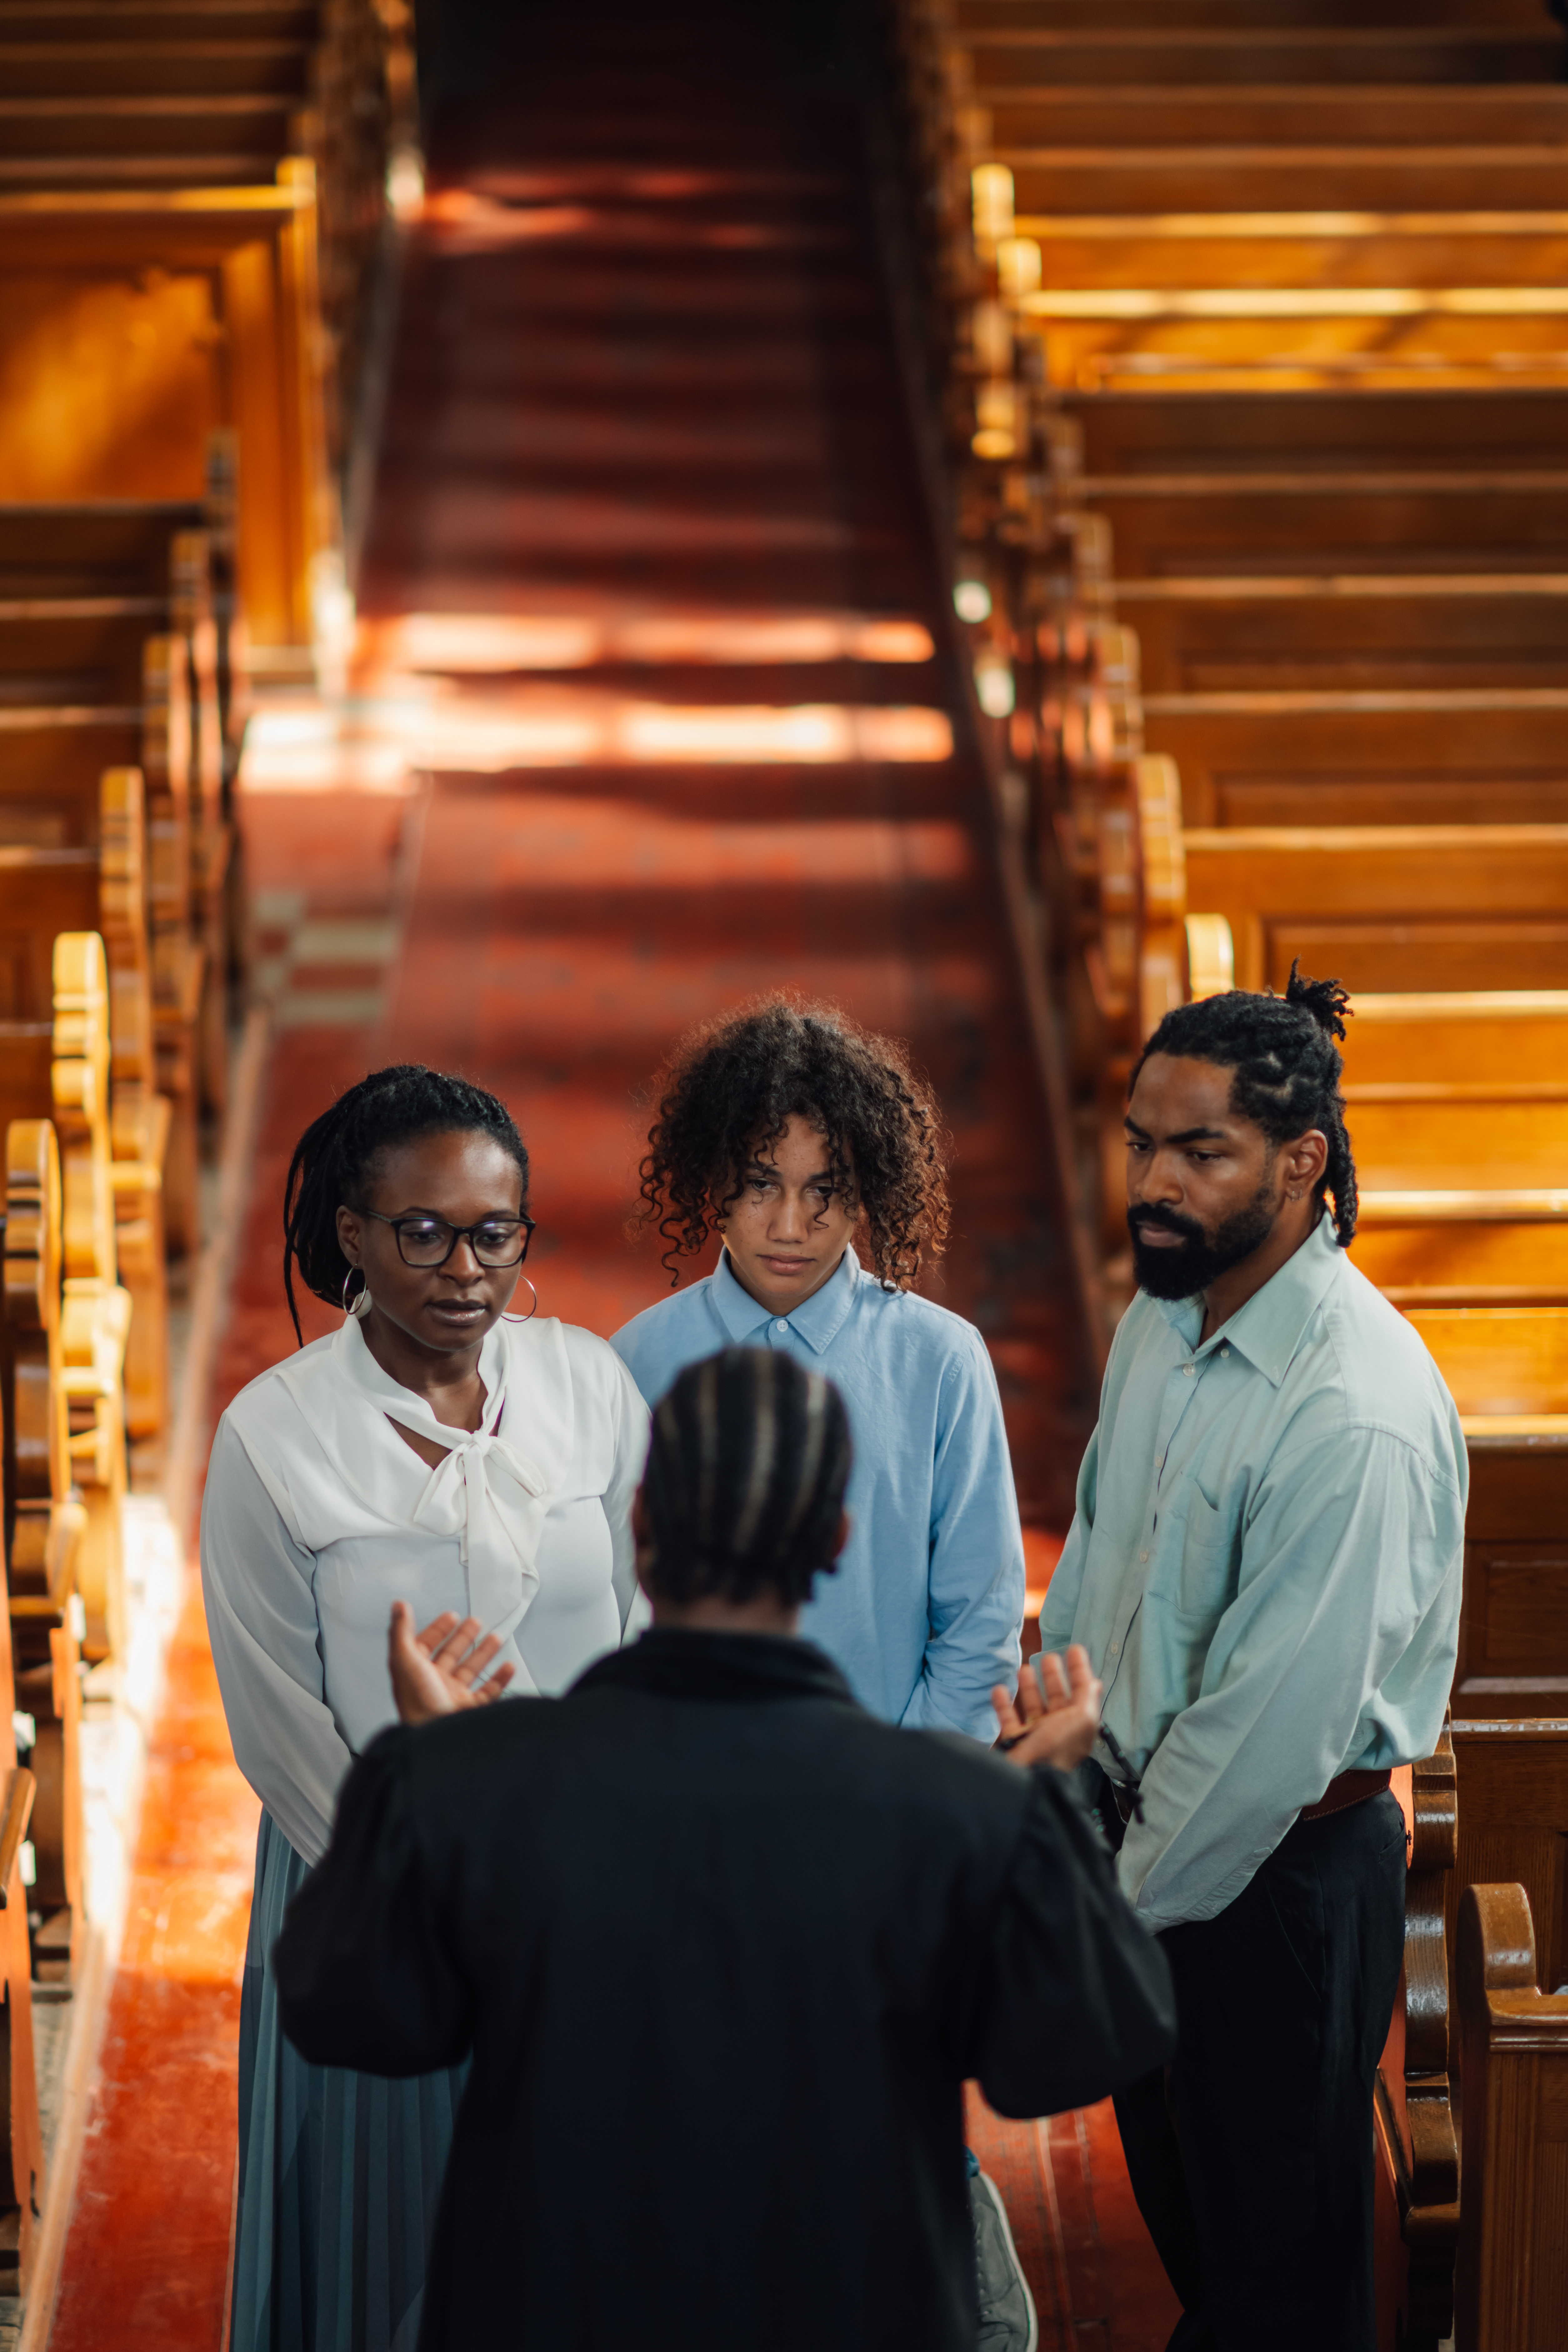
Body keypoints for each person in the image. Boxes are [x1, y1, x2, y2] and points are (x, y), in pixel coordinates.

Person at [273, 1348, 1177, 2352]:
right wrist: (1043, 1801)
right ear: (832, 1539)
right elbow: (1082, 2050)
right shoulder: (964, 1811)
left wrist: (425, 1769)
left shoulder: (475, 1784)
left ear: (645, 1529)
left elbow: (347, 2010)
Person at [1039, 968, 1467, 2352]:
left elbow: (1264, 1744)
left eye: (1197, 1151)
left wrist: (1102, 1913)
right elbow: (1105, 1544)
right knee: (1200, 2234)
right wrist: (1060, 1753)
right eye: (1139, 1142)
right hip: (1144, 1835)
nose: (1151, 1182)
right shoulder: (1168, 1310)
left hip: (1275, 1875)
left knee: (1284, 2280)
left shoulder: (1355, 1412)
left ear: (1302, 1163)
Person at [201, 1064, 650, 2352]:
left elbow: (644, 1632)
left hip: (580, 1884)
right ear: (352, 1237)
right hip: (374, 1890)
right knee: (391, 2244)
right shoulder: (274, 1438)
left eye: (495, 1233)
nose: (467, 1269)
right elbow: (282, 1725)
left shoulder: (589, 1387)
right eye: (425, 1232)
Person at [609, 994, 1036, 2340]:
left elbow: (975, 1615)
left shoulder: (938, 1360)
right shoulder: (639, 1363)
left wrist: (896, 1807)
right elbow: (620, 1608)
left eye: (825, 1190)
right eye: (758, 1186)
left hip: (888, 1831)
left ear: (872, 1191)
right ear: (708, 1188)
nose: (790, 1224)